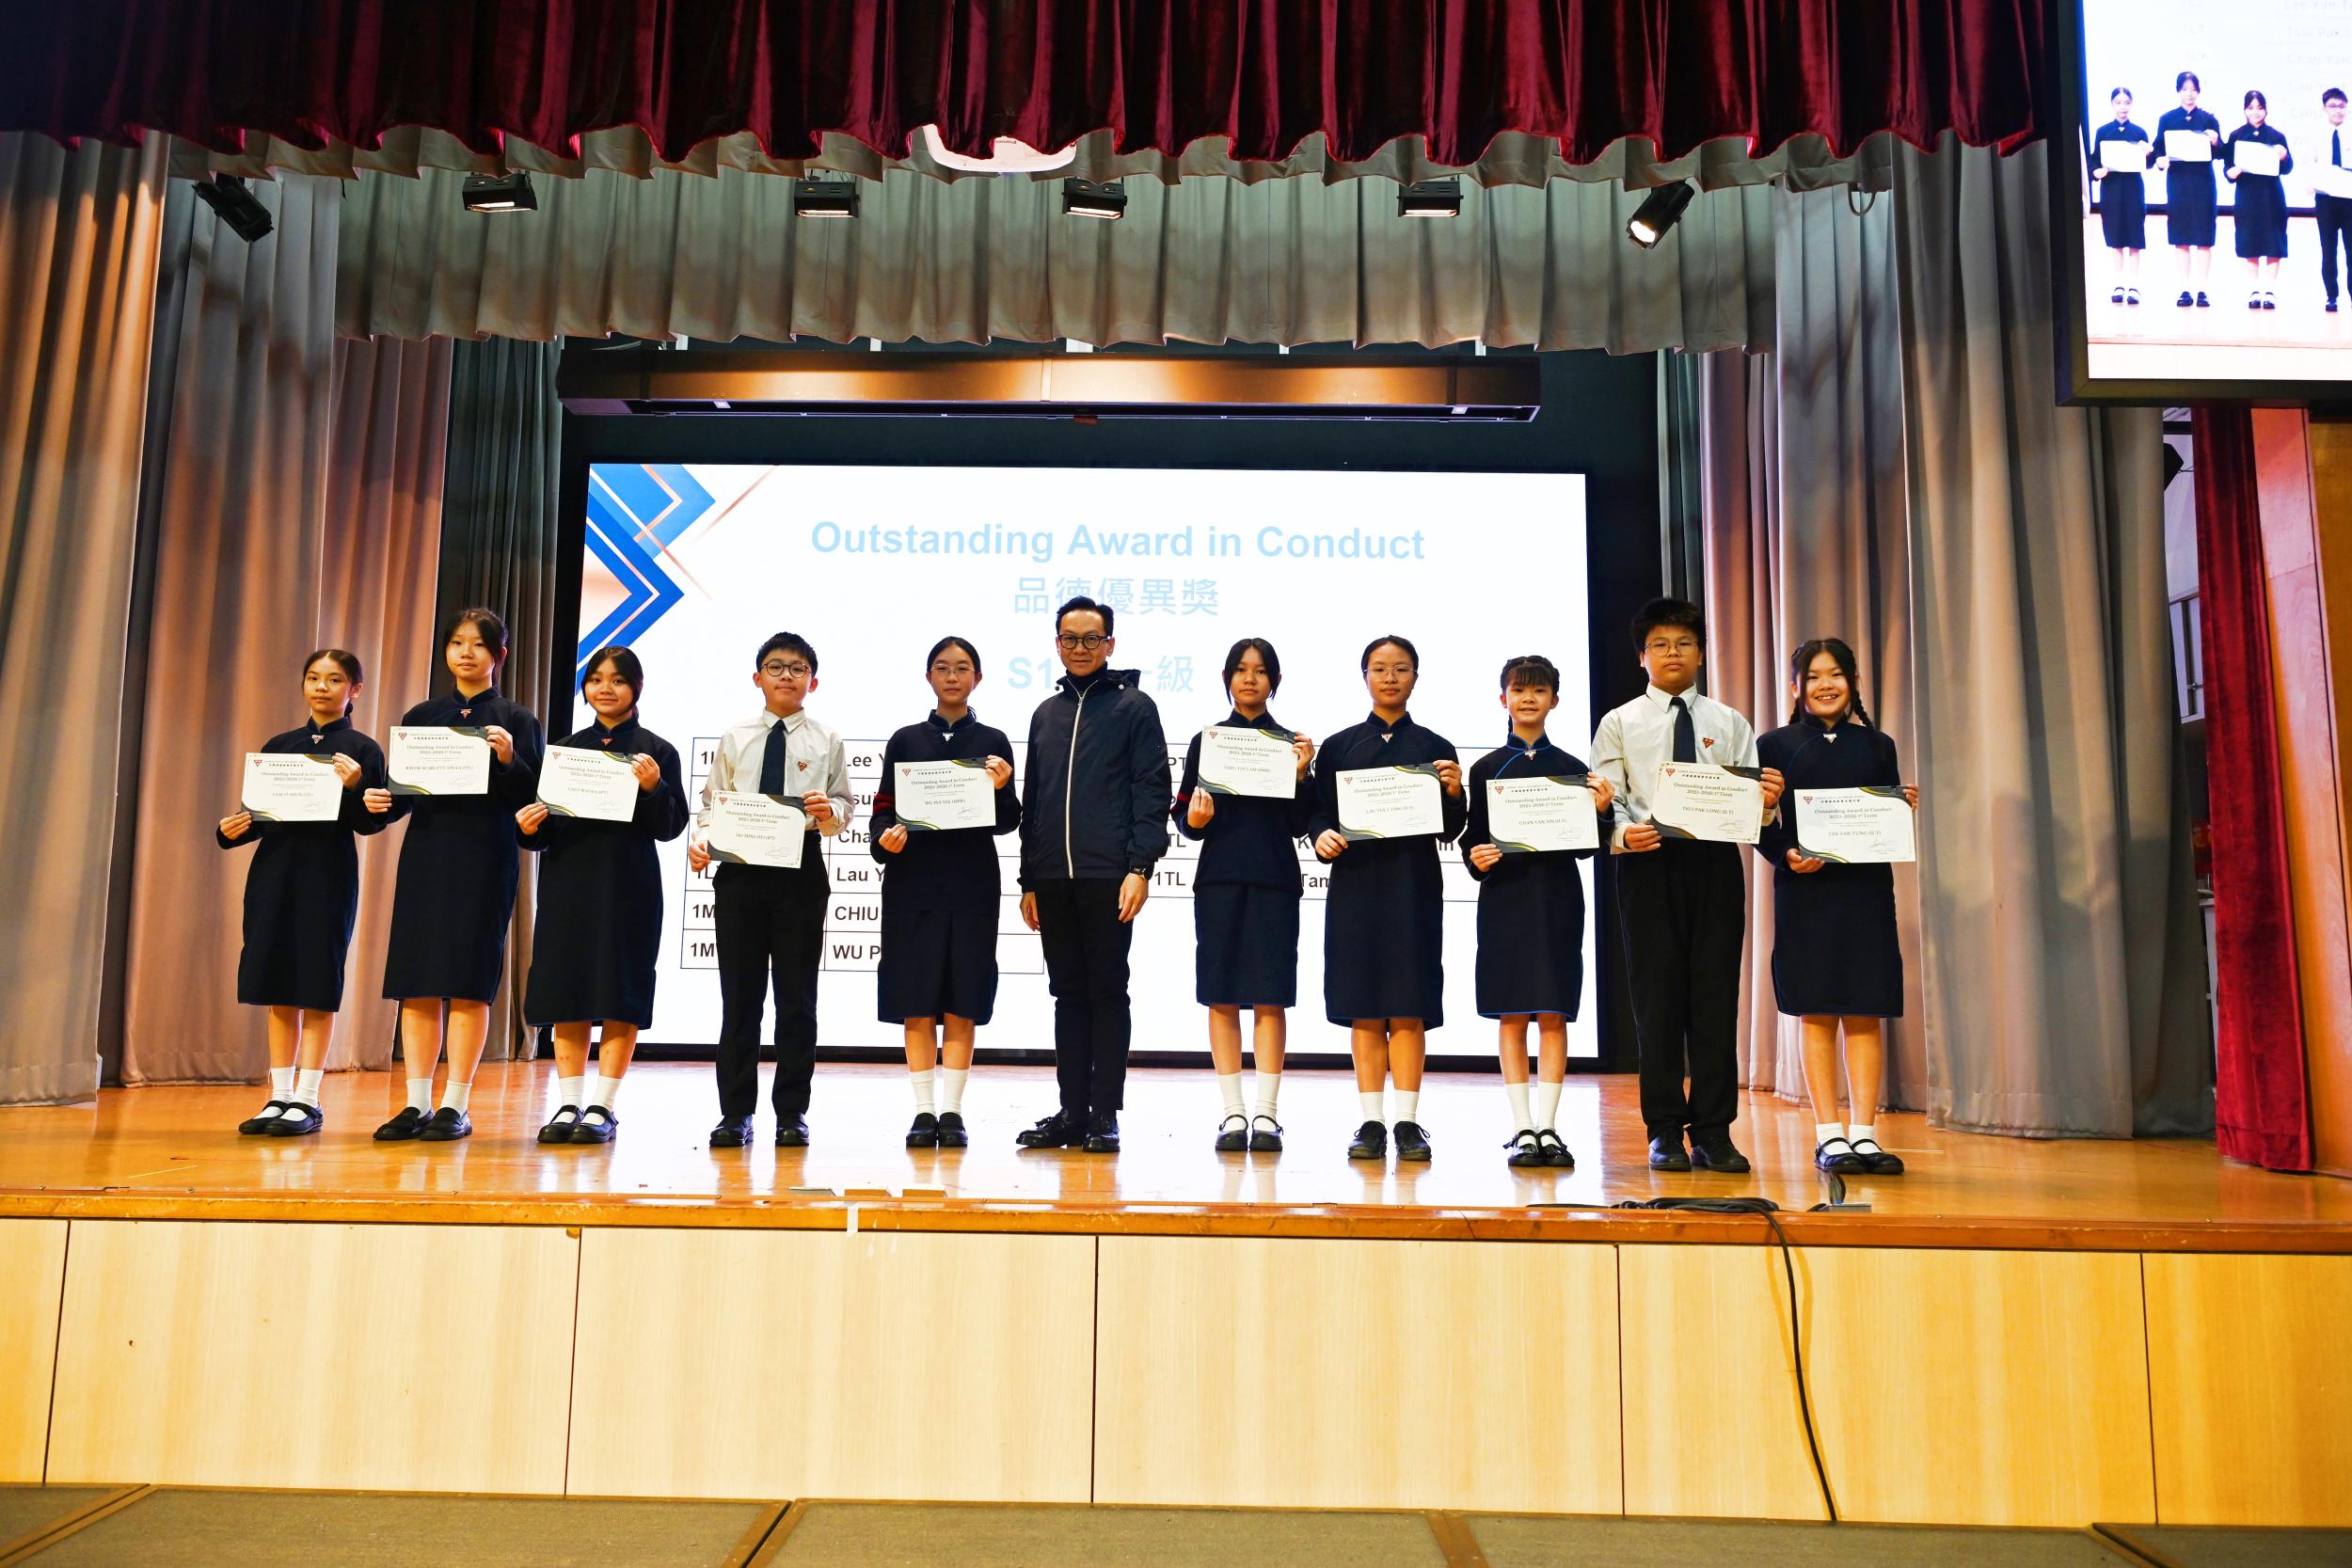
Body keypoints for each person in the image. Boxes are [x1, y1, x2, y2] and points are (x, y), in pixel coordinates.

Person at [1590, 598, 1784, 1173]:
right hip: (1647, 866)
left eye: (1683, 644)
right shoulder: (1619, 722)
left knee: (1715, 1001)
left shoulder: (1730, 722)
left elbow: (1754, 808)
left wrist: (1767, 803)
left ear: (1700, 654)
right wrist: (1622, 834)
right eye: (1660, 645)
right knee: (1657, 1004)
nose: (1672, 653)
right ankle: (1664, 1131)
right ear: (1642, 657)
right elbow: (1607, 795)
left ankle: (1715, 1132)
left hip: (1714, 864)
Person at [368, 609, 545, 1143]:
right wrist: (380, 800)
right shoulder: (423, 716)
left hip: (485, 855)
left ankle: (456, 1104)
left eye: (479, 644)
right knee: (418, 980)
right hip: (426, 855)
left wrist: (509, 760)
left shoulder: (515, 718)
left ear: (499, 656)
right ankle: (417, 1102)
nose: (466, 652)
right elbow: (404, 795)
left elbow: (535, 799)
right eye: (457, 643)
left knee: (469, 981)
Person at [1012, 596, 1170, 1156]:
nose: (1080, 648)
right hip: (1052, 877)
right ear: (1057, 644)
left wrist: (1140, 867)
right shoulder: (1045, 713)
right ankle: (1071, 1111)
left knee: (1106, 992)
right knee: (1067, 995)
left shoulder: (1135, 707)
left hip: (1110, 875)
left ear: (1110, 644)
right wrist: (1029, 879)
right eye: (1070, 639)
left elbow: (1151, 789)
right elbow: (1035, 799)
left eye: (1091, 639)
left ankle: (1105, 1113)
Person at [516, 646, 690, 1145]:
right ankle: (569, 1102)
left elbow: (670, 827)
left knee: (620, 989)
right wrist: (529, 827)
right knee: (567, 987)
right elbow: (546, 830)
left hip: (628, 884)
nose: (605, 688)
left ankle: (603, 1106)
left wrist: (654, 788)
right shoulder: (565, 750)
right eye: (595, 679)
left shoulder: (657, 751)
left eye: (617, 679)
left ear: (637, 687)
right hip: (569, 882)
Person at [1756, 641, 1916, 1177]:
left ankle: (1865, 1134)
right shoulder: (1773, 744)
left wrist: (1900, 807)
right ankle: (1829, 1135)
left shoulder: (1878, 744)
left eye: (1836, 675)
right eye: (1813, 676)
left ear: (1853, 682)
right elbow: (1758, 823)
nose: (1825, 685)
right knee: (1818, 1010)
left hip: (1866, 893)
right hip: (1805, 893)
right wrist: (1786, 855)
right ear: (1795, 687)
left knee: (1865, 1010)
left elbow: (1884, 821)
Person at [688, 632, 853, 1149]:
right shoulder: (735, 737)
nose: (787, 675)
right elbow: (712, 804)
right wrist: (702, 842)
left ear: (813, 682)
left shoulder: (827, 739)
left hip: (800, 872)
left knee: (797, 1001)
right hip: (740, 874)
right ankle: (735, 1113)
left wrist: (829, 813)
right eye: (776, 667)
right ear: (757, 677)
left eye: (798, 668)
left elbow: (845, 806)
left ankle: (792, 1113)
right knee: (740, 1000)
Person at [1309, 635, 1467, 1164]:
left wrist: (1453, 793)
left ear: (1415, 678)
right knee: (1364, 1006)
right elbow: (1317, 811)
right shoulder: (1340, 746)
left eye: (1401, 668)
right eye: (1380, 668)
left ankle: (1407, 1121)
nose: (1390, 677)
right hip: (1356, 888)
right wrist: (1321, 834)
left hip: (1412, 888)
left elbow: (1452, 829)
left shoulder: (1435, 746)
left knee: (1409, 1005)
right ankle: (1372, 1120)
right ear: (1365, 677)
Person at [218, 649, 389, 1137]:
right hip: (275, 872)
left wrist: (356, 786)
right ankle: (279, 1095)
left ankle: (308, 1098)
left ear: (354, 690)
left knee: (316, 981)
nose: (321, 687)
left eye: (334, 680)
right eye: (313, 677)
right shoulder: (280, 745)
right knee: (278, 982)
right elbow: (260, 816)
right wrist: (231, 830)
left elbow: (369, 824)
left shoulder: (362, 749)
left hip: (327, 874)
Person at [1461, 655, 1613, 1169]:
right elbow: (1473, 839)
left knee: (1552, 1011)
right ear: (1502, 698)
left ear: (1555, 700)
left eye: (1539, 690)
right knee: (1511, 1013)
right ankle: (1522, 1126)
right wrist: (1477, 858)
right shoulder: (1486, 769)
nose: (1528, 698)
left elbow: (1588, 847)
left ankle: (1549, 1126)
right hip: (1505, 900)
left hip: (1556, 899)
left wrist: (1601, 812)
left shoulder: (1573, 769)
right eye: (1519, 690)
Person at [870, 636, 1021, 1148]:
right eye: (942, 667)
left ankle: (953, 1111)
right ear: (928, 677)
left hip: (972, 883)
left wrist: (1001, 789)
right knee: (916, 996)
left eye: (962, 668)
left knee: (963, 995)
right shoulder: (905, 741)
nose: (952, 676)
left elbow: (1009, 821)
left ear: (978, 677)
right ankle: (923, 1111)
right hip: (913, 883)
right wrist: (884, 840)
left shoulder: (994, 741)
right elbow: (883, 812)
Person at [1170, 638, 1316, 1153]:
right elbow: (1185, 818)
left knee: (1271, 995)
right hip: (1220, 878)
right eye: (1240, 670)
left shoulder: (1292, 744)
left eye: (1259, 671)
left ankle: (1267, 1114)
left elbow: (1301, 823)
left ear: (1275, 680)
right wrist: (1195, 819)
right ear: (1227, 678)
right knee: (1222, 993)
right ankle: (1233, 1112)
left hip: (1275, 877)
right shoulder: (1207, 741)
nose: (1249, 679)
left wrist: (1301, 774)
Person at [2153, 71, 2223, 308]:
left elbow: (2222, 153)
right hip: (2178, 183)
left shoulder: (2209, 119)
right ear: (2178, 91)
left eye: (2193, 89)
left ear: (2199, 91)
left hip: (2203, 182)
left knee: (2204, 236)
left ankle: (2202, 289)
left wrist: (2216, 141)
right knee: (2181, 236)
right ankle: (2184, 288)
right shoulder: (2167, 119)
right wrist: (2160, 160)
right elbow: (2158, 149)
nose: (2189, 94)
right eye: (2184, 89)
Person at [2224, 90, 2294, 310]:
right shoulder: (2236, 136)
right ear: (2245, 110)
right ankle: (2254, 290)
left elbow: (2288, 168)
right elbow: (2227, 167)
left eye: (2260, 107)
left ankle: (2270, 290)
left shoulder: (2276, 136)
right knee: (2250, 240)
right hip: (2247, 196)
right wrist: (2230, 173)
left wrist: (2284, 156)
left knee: (2274, 241)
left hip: (2271, 195)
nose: (2255, 112)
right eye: (2251, 107)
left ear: (2266, 109)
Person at [2090, 87, 2152, 304]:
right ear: (2112, 104)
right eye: (2118, 102)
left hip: (2133, 188)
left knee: (2134, 236)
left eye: (2126, 102)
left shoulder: (2139, 132)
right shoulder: (2103, 132)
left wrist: (2148, 152)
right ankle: (2118, 284)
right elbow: (2094, 160)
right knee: (2115, 236)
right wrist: (2095, 172)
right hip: (2111, 189)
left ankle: (2133, 286)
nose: (2122, 107)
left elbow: (2149, 163)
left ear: (2131, 104)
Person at [2318, 88, 2350, 313]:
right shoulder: (2316, 135)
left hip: (2350, 199)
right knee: (2329, 250)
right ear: (2324, 109)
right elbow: (2309, 164)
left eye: (2342, 106)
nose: (2338, 110)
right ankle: (2332, 296)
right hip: (2326, 200)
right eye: (2333, 106)